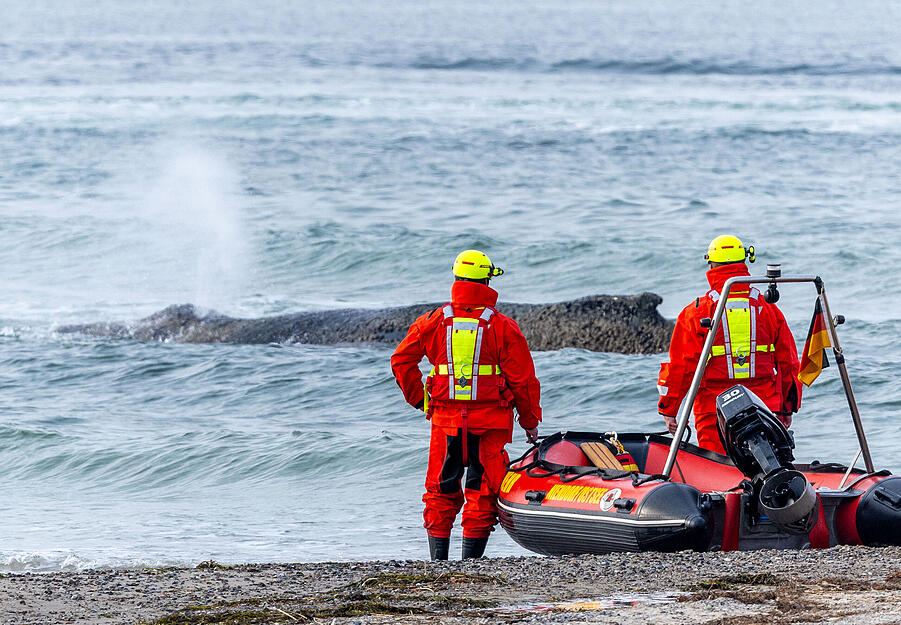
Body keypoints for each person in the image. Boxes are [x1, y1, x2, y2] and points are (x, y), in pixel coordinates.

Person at [390, 250, 542, 560]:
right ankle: (471, 565)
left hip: (445, 423)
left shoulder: (432, 322)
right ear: (487, 281)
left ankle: (438, 563)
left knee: (440, 489)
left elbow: (401, 360)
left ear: (457, 279)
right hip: (489, 425)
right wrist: (529, 421)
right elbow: (523, 381)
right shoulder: (503, 327)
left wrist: (420, 400)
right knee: (481, 490)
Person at [657, 235, 802, 454]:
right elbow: (789, 364)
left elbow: (681, 366)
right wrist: (786, 410)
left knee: (717, 471)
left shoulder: (696, 313)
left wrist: (669, 409)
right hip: (764, 408)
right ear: (744, 262)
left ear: (712, 264)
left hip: (714, 411)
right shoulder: (770, 310)